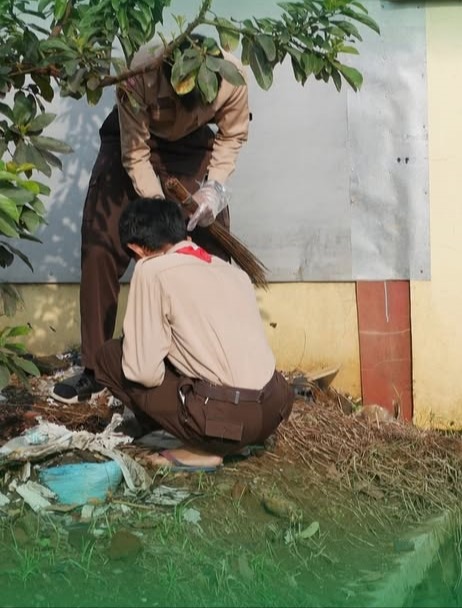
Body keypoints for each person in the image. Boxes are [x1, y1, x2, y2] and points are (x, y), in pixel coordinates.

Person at [52, 35, 250, 404]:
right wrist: (161, 211)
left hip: (193, 149)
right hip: (134, 142)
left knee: (212, 247)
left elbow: (233, 134)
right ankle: (96, 368)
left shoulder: (234, 76)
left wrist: (215, 188)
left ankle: (206, 364)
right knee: (100, 243)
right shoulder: (137, 74)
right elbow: (135, 155)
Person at [93, 197, 291, 471]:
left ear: (135, 248)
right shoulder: (230, 271)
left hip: (227, 423)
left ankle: (198, 447)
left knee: (111, 357)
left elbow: (142, 372)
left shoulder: (151, 270)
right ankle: (220, 438)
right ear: (183, 233)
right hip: (273, 410)